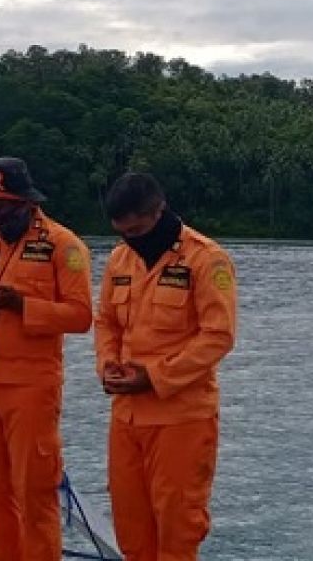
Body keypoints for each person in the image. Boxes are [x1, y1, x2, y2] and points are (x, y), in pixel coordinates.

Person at [94, 172, 238, 561]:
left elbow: (218, 336)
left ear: (159, 212)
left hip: (181, 420)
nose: (131, 239)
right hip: (126, 418)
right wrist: (107, 365)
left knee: (178, 528)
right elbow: (106, 320)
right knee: (130, 528)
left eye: (138, 229)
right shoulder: (120, 259)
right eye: (122, 232)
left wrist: (155, 377)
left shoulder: (206, 259)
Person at [0, 157, 93, 561]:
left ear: (25, 203)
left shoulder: (63, 246)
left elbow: (82, 315)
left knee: (35, 499)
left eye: (1, 207)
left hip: (32, 389)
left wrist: (22, 306)